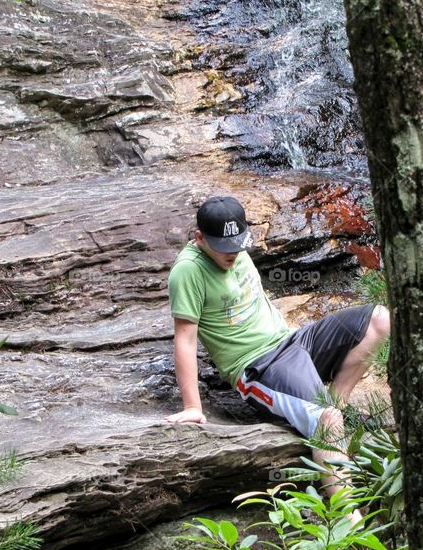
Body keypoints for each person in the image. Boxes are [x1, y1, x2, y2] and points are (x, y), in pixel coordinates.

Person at [165, 195, 390, 504]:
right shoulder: (188, 271)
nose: (232, 253)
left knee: (380, 319)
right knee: (328, 420)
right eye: (223, 247)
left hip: (294, 342)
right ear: (199, 237)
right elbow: (185, 340)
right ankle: (348, 524)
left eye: (237, 243)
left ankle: (339, 401)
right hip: (261, 366)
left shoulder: (233, 250)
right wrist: (193, 407)